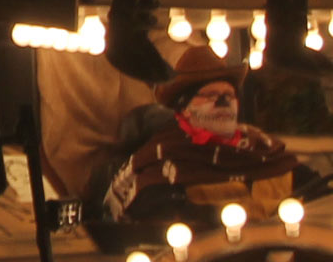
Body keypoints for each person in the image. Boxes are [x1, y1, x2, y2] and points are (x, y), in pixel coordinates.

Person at [79, 44, 299, 247]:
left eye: (229, 95)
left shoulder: (266, 151)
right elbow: (153, 207)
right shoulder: (163, 156)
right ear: (184, 108)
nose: (224, 103)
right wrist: (213, 215)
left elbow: (311, 189)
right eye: (210, 96)